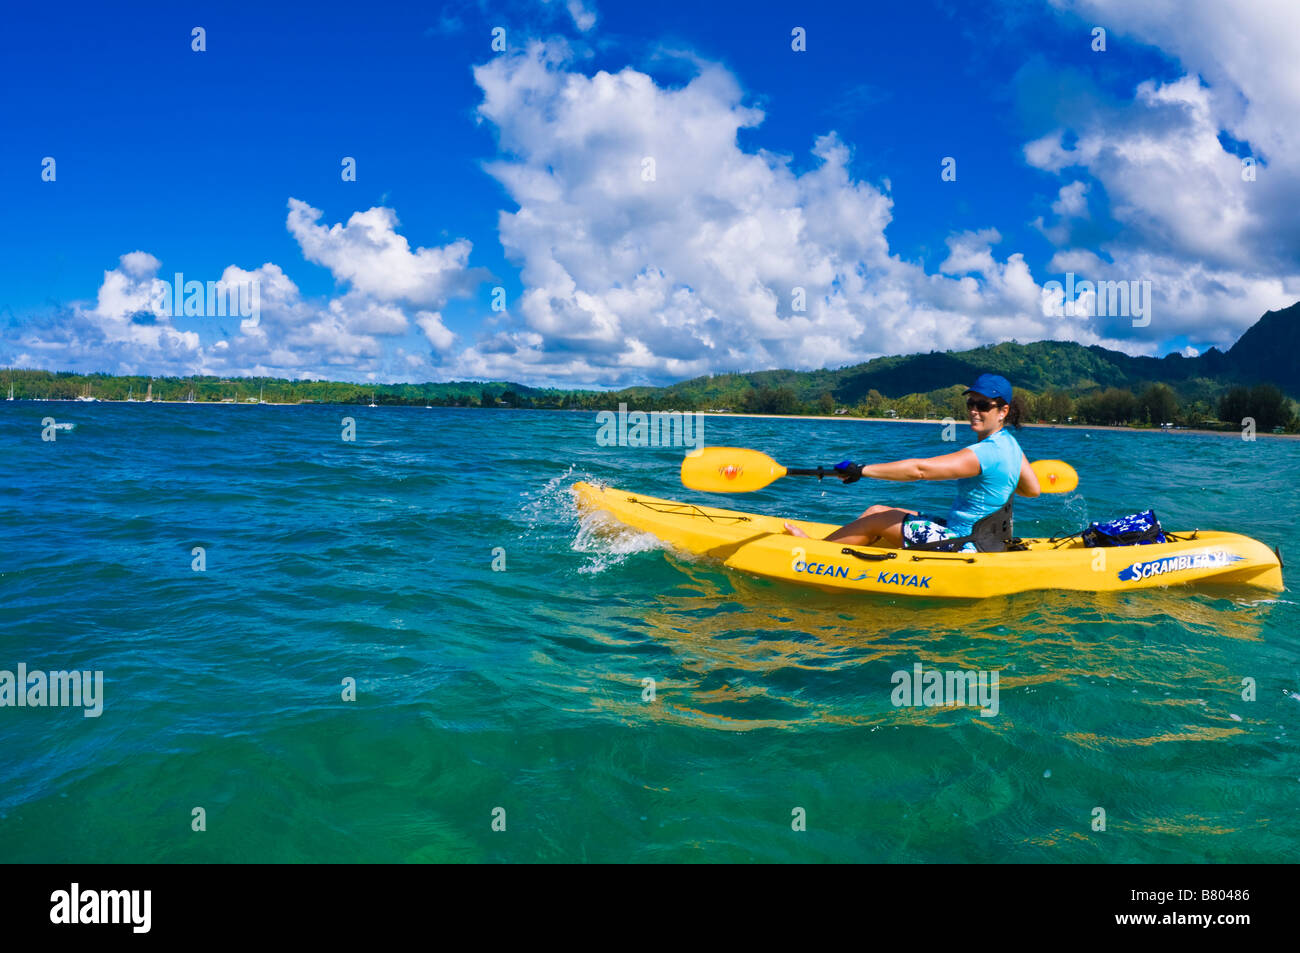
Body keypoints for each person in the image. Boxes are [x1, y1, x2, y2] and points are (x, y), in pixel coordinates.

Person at [784, 374, 1040, 548]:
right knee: (877, 510)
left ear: (1003, 411)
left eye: (983, 405)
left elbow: (920, 470)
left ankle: (815, 553)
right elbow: (1032, 489)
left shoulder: (986, 453)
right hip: (982, 537)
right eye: (971, 403)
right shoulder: (1011, 447)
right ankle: (849, 552)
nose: (974, 410)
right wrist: (998, 482)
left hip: (965, 543)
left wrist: (861, 470)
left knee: (877, 521)